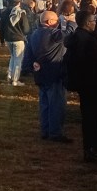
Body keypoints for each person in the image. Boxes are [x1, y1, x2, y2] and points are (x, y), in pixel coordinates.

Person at [65, 10, 97, 163]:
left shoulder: (78, 37)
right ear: (88, 23)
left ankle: (90, 149)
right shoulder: (87, 41)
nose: (95, 23)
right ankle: (95, 147)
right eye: (94, 21)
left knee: (90, 118)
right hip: (94, 85)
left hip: (85, 85)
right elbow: (92, 64)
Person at [22, 11, 71, 143]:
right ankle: (55, 133)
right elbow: (68, 35)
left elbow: (28, 54)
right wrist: (70, 22)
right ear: (50, 22)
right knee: (56, 105)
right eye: (56, 21)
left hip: (40, 74)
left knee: (44, 104)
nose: (58, 23)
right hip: (54, 74)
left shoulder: (34, 34)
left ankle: (45, 130)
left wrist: (30, 67)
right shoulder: (54, 33)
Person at [0, 0, 31, 85]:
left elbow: (1, 28)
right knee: (18, 59)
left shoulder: (4, 13)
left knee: (13, 57)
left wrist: (1, 40)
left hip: (8, 38)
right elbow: (26, 29)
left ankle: (9, 76)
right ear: (18, 3)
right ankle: (15, 80)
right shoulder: (21, 12)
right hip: (18, 38)